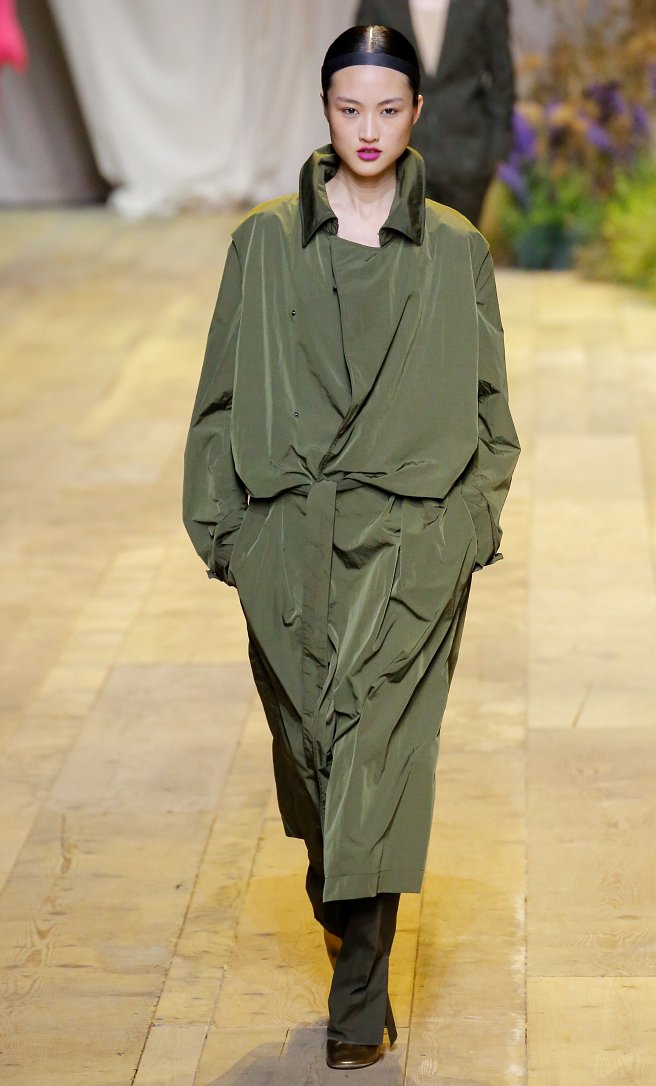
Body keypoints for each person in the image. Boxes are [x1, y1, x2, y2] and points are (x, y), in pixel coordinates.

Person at [182, 23, 519, 1072]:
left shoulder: (456, 250)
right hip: (287, 542)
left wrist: (465, 529)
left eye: (387, 108)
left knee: (379, 748)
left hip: (412, 541)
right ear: (325, 110)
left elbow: (492, 416)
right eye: (348, 108)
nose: (367, 129)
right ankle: (339, 902)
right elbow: (217, 399)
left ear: (415, 114)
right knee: (314, 759)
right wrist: (227, 536)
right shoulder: (263, 245)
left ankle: (358, 1002)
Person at [355, 0, 515, 225]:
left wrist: (495, 151)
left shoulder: (485, 4)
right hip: (398, 156)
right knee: (402, 245)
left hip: (468, 155)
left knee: (459, 244)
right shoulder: (379, 4)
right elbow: (360, 72)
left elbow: (501, 74)